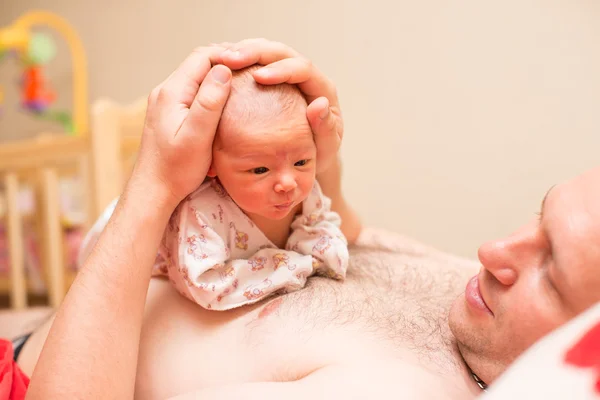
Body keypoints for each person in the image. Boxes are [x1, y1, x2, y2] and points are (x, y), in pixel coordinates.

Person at [14, 39, 600, 399]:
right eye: (537, 219)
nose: (494, 250)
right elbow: (352, 243)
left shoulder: (395, 392)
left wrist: (154, 185)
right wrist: (320, 172)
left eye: (552, 271)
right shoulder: (484, 303)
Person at [78, 65, 349, 311]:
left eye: (301, 161)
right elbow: (206, 285)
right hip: (118, 259)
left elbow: (318, 226)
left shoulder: (304, 188)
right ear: (211, 164)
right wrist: (292, 266)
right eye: (260, 169)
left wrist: (324, 254)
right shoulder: (203, 211)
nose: (288, 183)